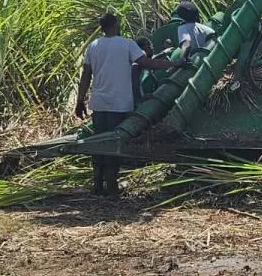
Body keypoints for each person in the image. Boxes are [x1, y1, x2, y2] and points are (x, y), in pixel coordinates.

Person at [75, 13, 184, 196]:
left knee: (97, 143)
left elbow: (86, 75)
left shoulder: (93, 46)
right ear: (116, 25)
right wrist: (174, 63)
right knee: (113, 144)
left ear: (102, 27)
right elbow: (146, 63)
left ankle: (97, 185)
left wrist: (80, 101)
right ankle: (111, 186)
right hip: (119, 104)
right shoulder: (126, 44)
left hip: (99, 103)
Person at [131, 37, 153, 106]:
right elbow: (134, 80)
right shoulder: (141, 54)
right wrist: (138, 100)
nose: (152, 48)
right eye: (150, 45)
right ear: (145, 46)